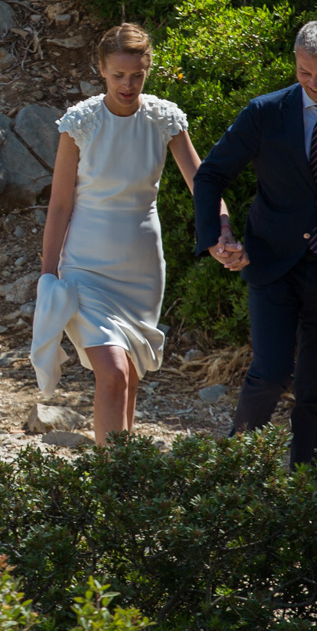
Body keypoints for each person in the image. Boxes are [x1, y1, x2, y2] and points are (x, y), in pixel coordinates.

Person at [190, 20, 317, 466]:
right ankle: (232, 472)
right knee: (269, 374)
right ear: (295, 63)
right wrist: (216, 236)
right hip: (272, 263)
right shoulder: (265, 112)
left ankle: (305, 489)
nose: (314, 83)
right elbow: (210, 175)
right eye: (304, 72)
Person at [34, 24, 227, 445]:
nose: (128, 84)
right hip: (85, 266)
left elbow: (202, 185)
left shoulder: (164, 119)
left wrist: (223, 230)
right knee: (114, 373)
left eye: (136, 75)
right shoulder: (80, 123)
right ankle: (111, 475)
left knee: (131, 375)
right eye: (119, 75)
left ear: (148, 70)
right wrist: (48, 275)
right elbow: (60, 205)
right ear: (101, 69)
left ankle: (124, 471)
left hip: (142, 269)